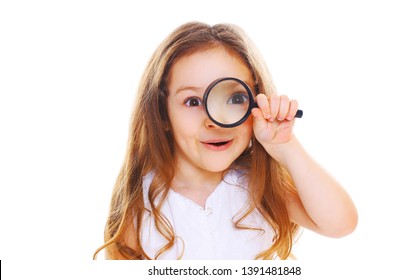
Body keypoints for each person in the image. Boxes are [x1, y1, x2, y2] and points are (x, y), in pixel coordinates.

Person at [94, 21, 358, 260]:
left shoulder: (259, 184)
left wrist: (285, 147)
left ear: (256, 103)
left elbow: (341, 224)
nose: (215, 121)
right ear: (162, 114)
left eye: (234, 99)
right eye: (193, 101)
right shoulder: (141, 205)